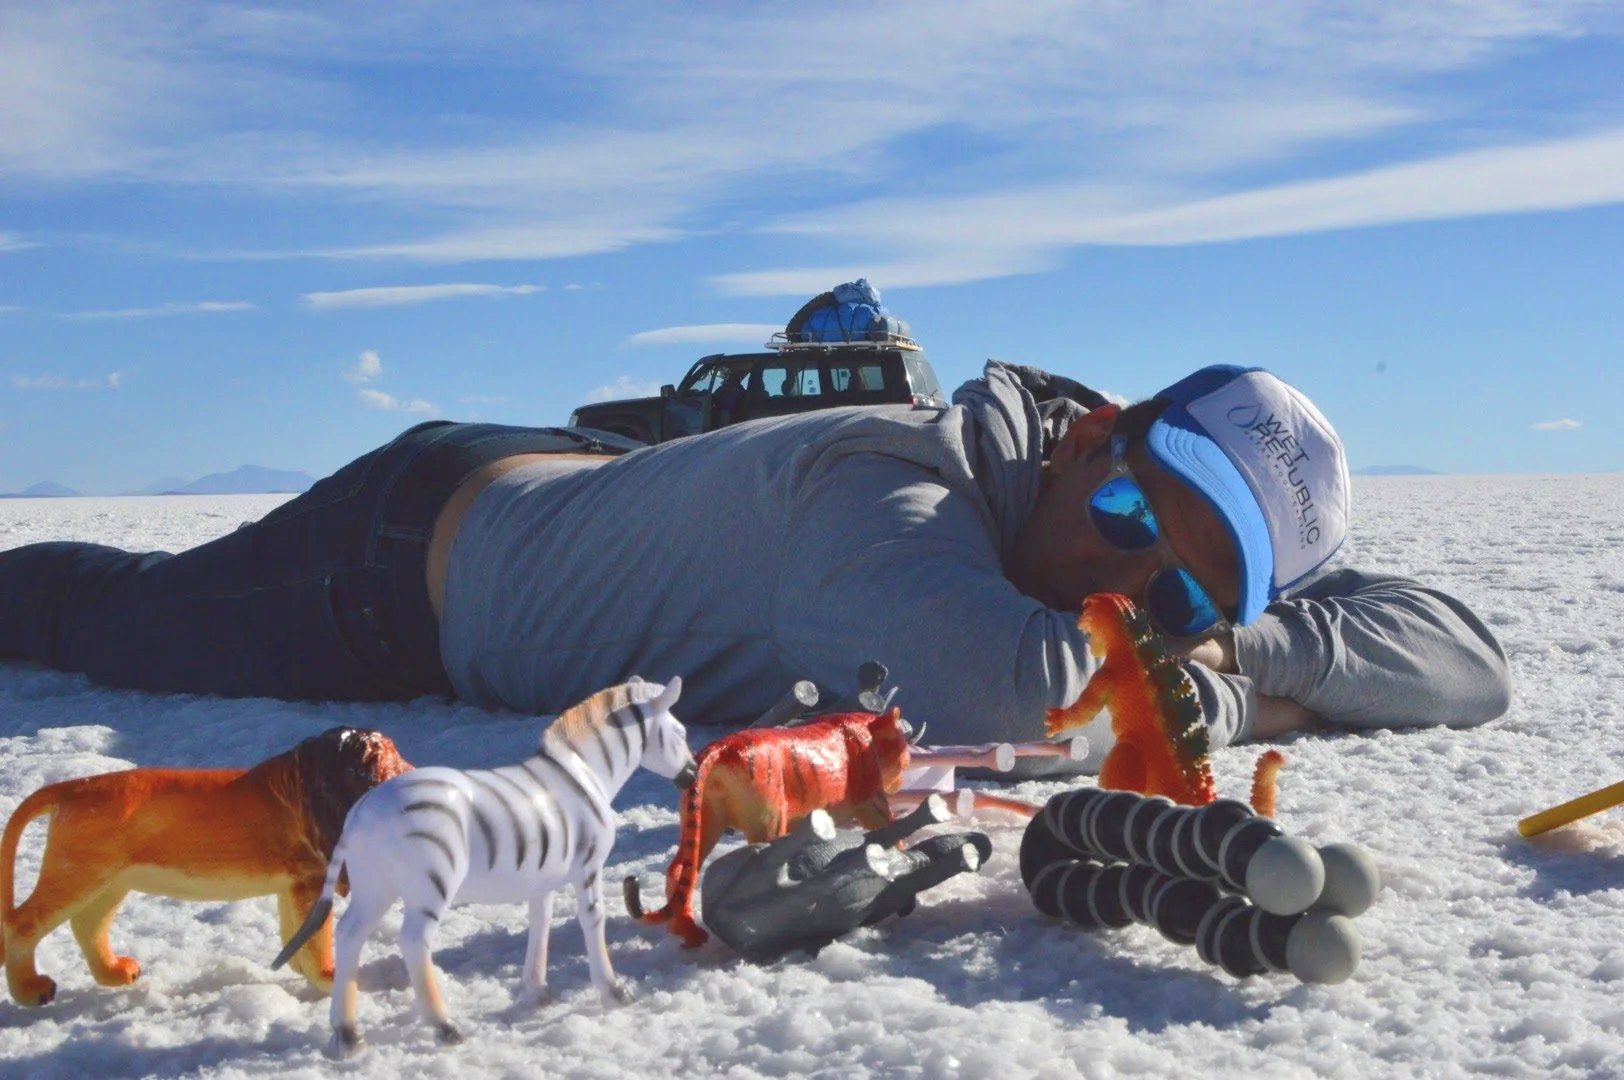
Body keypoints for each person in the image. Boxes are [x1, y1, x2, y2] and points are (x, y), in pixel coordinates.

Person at [0, 362, 1511, 757]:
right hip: (396, 570)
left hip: (602, 495)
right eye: (1129, 519)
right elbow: (1006, 695)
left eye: (1177, 586)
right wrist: (1228, 682)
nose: (1126, 585)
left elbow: (1468, 658)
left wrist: (1238, 648)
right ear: (1090, 434)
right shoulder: (893, 490)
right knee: (107, 620)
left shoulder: (1111, 541)